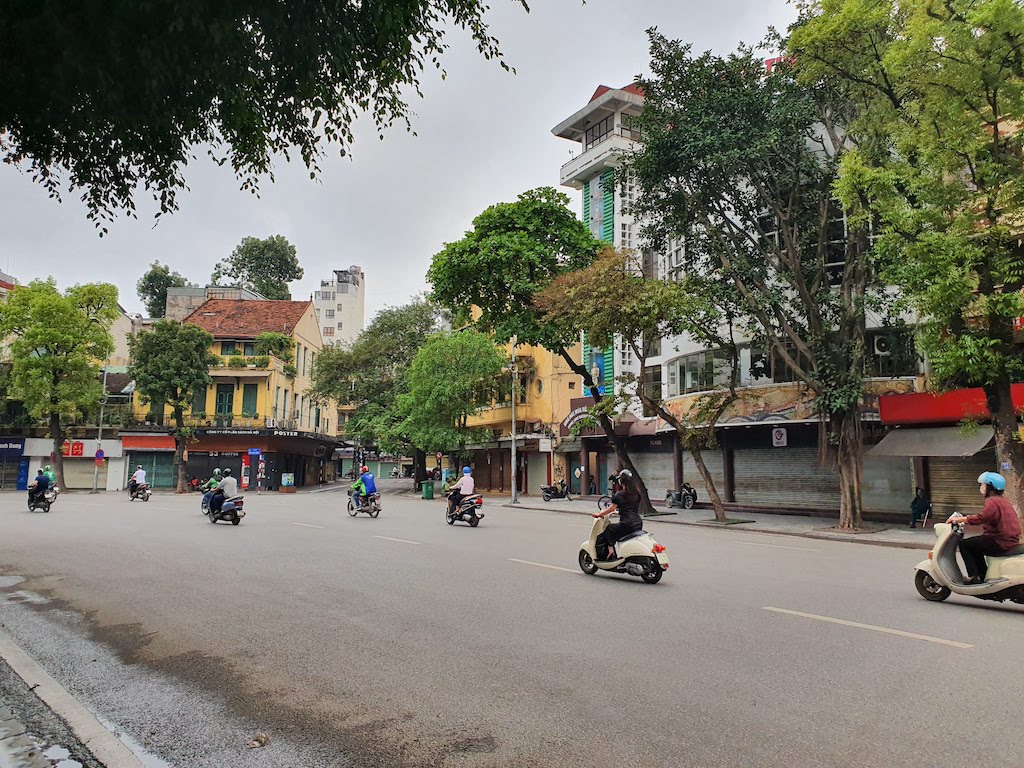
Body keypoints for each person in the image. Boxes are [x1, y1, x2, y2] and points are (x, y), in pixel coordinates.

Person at [947, 472, 1022, 584]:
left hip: (999, 541)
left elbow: (981, 517)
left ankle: (974, 577)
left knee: (965, 544)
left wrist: (959, 520)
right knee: (976, 544)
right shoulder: (1003, 501)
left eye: (982, 485)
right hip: (1007, 540)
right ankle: (982, 575)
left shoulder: (992, 501)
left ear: (990, 487)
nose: (981, 488)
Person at [592, 469, 643, 561]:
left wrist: (599, 514)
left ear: (621, 481)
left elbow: (611, 508)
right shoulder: (637, 493)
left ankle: (611, 551)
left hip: (627, 524)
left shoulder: (620, 494)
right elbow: (630, 508)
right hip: (638, 523)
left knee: (609, 529)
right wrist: (618, 512)